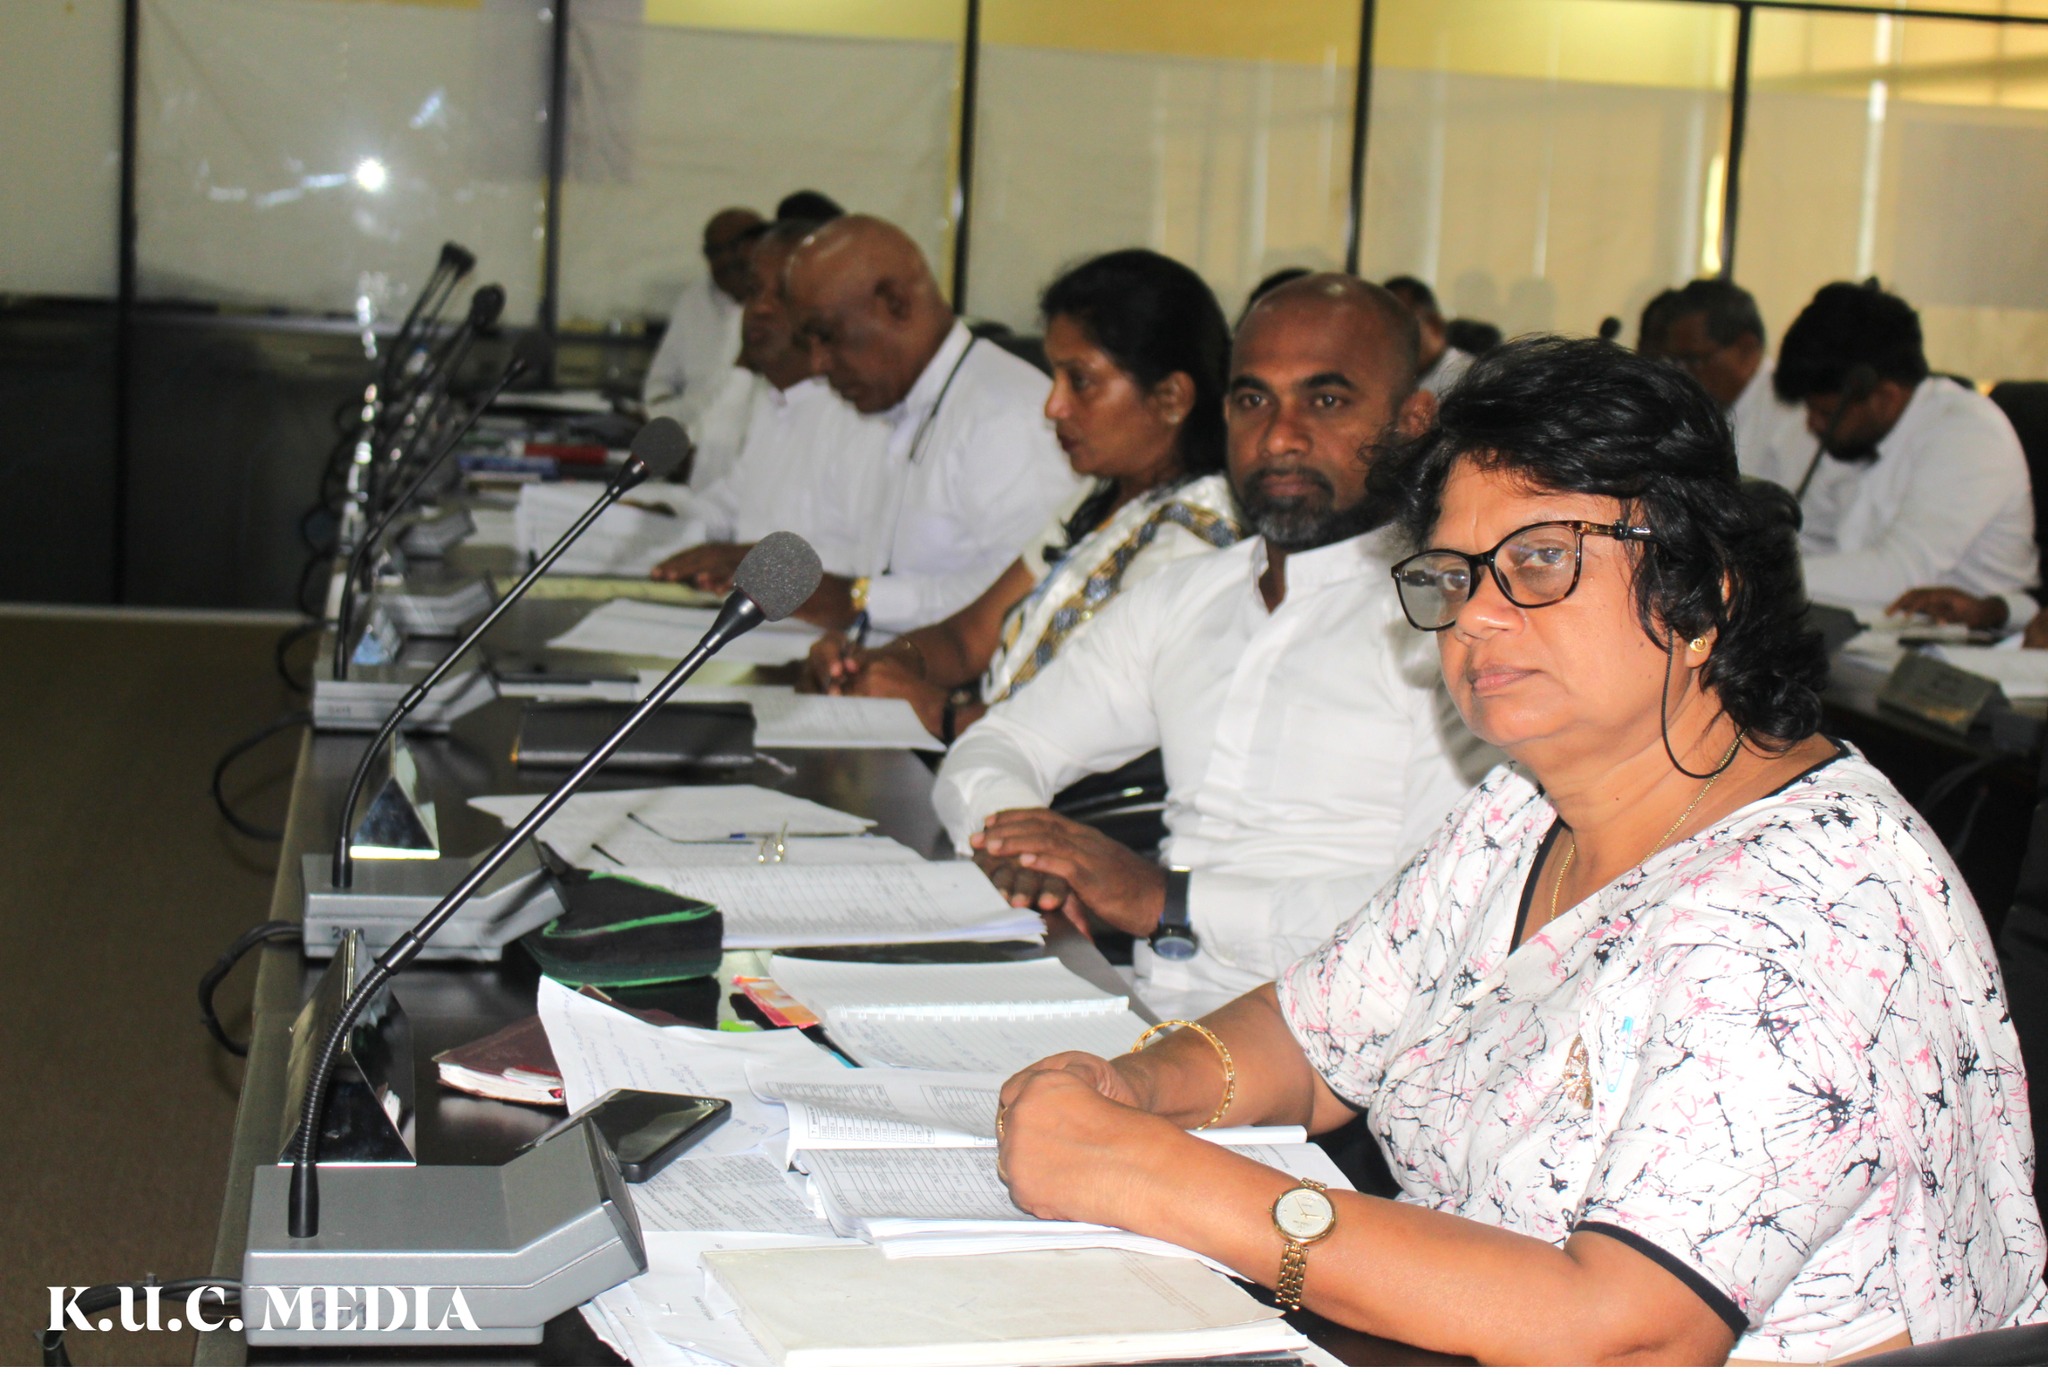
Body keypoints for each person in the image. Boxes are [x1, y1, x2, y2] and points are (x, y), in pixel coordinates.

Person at [994, 336, 2047, 1364]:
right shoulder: (1523, 806)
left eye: (1539, 560)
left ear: (1699, 594)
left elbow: (1625, 1332)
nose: (1477, 619)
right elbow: (1312, 1035)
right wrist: (1131, 1091)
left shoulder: (1813, 903)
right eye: (1452, 575)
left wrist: (1147, 1174)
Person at [934, 274, 1493, 1019]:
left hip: (1340, 1047)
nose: (1280, 437)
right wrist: (1022, 847)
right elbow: (1000, 745)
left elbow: (1444, 906)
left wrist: (1170, 901)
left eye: (1326, 401)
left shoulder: (1458, 624)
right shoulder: (1189, 595)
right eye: (1253, 400)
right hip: (1141, 1012)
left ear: (1414, 420)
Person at [802, 249, 1242, 743]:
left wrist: (940, 714)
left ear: (1170, 398)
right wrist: (876, 664)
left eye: (1080, 381)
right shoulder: (1101, 499)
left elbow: (1104, 737)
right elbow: (965, 639)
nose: (1053, 406)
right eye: (1055, 378)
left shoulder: (1197, 540)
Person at [655, 214, 1078, 635]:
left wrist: (857, 600)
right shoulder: (900, 403)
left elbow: (1035, 591)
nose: (818, 363)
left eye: (827, 336)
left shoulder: (1007, 415)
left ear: (895, 303)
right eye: (808, 341)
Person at [1772, 280, 2036, 611]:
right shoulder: (1856, 435)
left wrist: (1763, 582)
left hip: (1970, 636)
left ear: (1886, 396)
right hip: (1873, 625)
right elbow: (1809, 538)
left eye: (1824, 413)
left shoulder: (1970, 435)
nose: (1812, 425)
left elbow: (1900, 574)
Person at [660, 218, 892, 575]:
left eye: (782, 294)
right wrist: (665, 514)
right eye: (753, 291)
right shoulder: (774, 400)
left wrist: (748, 559)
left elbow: (867, 562)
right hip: (745, 598)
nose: (761, 308)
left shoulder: (862, 418)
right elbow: (729, 507)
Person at [1641, 277, 1811, 489]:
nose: (1683, 374)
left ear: (1746, 349)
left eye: (1694, 360)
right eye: (1675, 361)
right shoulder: (1708, 408)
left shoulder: (1792, 415)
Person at [641, 206, 765, 487]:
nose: (727, 260)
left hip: (736, 468)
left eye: (735, 248)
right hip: (690, 458)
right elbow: (658, 392)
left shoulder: (773, 316)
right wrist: (676, 429)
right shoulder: (695, 300)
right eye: (716, 251)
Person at [1384, 276, 1473, 399]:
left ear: (1434, 324)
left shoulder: (1471, 382)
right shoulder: (1383, 381)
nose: (1388, 338)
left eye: (1397, 325)